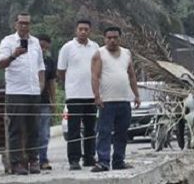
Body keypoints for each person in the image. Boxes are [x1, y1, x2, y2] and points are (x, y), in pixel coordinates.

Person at [0, 13, 46, 175]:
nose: (24, 26)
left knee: (34, 128)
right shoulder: (8, 41)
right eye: (21, 23)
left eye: (27, 23)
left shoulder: (35, 42)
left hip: (33, 92)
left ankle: (33, 160)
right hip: (16, 92)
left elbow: (41, 67)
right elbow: (0, 65)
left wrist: (40, 86)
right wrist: (14, 55)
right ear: (15, 24)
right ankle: (16, 162)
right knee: (16, 128)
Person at [90, 26, 141, 173]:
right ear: (104, 38)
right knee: (104, 132)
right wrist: (97, 96)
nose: (112, 40)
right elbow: (95, 76)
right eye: (109, 38)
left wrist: (136, 95)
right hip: (107, 101)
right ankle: (103, 162)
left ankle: (119, 161)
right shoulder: (99, 54)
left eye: (115, 38)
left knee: (122, 133)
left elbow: (131, 75)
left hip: (124, 100)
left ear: (120, 38)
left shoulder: (126, 53)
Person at [57, 20, 99, 170]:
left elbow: (99, 69)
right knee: (74, 129)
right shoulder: (67, 48)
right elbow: (61, 70)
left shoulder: (95, 47)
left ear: (90, 31)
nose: (83, 32)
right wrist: (70, 84)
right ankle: (74, 160)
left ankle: (89, 157)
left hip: (92, 94)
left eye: (86, 29)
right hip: (74, 95)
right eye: (80, 29)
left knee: (90, 128)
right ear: (76, 30)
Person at [37, 34, 57, 170]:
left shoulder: (49, 61)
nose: (43, 49)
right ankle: (28, 159)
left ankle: (43, 159)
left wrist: (53, 101)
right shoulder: (27, 59)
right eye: (40, 46)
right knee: (30, 132)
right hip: (29, 101)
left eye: (45, 47)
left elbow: (51, 82)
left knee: (44, 133)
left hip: (44, 101)